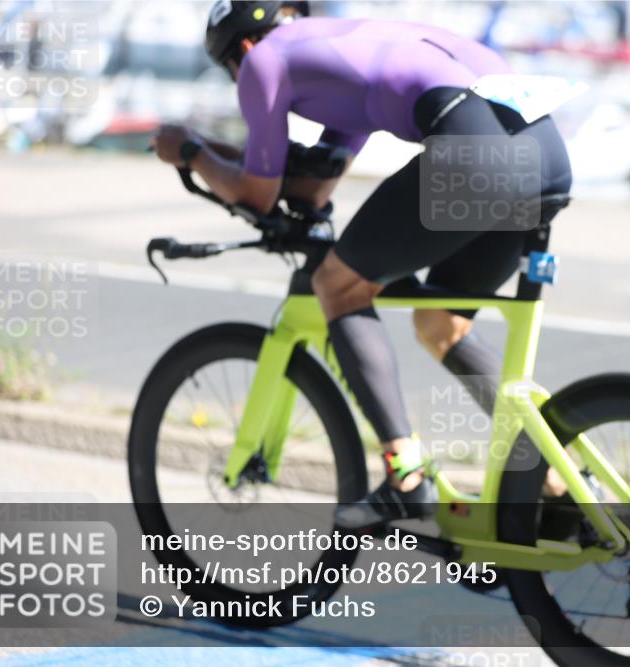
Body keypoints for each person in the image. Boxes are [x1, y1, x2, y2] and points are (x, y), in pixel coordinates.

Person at [151, 1, 572, 528]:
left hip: (476, 159)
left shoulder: (263, 60)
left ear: (242, 47)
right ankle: (561, 484)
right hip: (547, 160)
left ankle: (406, 477)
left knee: (338, 285)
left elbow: (258, 195)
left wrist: (190, 151)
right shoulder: (348, 46)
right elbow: (313, 188)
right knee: (441, 324)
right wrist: (227, 155)